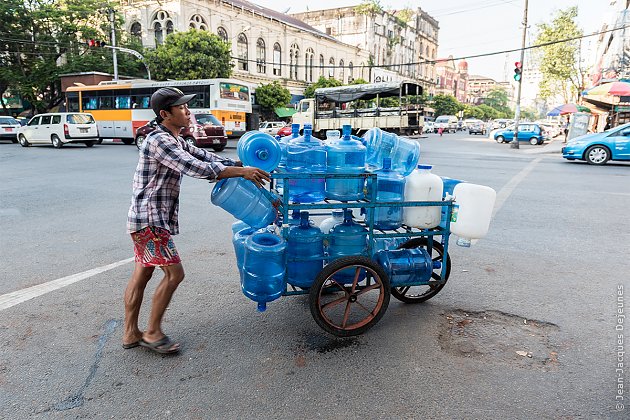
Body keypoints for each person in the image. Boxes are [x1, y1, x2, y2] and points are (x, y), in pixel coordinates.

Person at [123, 87, 270, 355]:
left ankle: (131, 332)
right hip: (150, 220)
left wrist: (244, 163)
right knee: (174, 274)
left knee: (142, 273)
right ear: (165, 114)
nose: (188, 112)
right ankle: (152, 332)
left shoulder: (176, 138)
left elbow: (206, 157)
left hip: (147, 219)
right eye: (181, 108)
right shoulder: (160, 141)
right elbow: (196, 168)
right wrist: (241, 172)